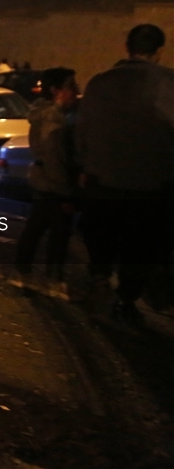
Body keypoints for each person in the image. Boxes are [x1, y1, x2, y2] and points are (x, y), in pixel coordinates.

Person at [77, 24, 174, 325]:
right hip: (151, 183)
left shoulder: (99, 83)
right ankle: (128, 298)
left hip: (103, 180)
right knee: (141, 245)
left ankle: (100, 276)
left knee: (102, 236)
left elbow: (82, 132)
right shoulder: (168, 84)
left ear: (126, 48)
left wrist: (86, 167)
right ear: (159, 52)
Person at [10, 67, 79, 298]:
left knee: (36, 228)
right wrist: (67, 192)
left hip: (41, 180)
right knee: (58, 234)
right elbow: (55, 158)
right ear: (56, 91)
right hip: (54, 183)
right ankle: (54, 280)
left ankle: (22, 272)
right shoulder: (54, 120)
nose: (75, 92)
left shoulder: (42, 114)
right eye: (71, 87)